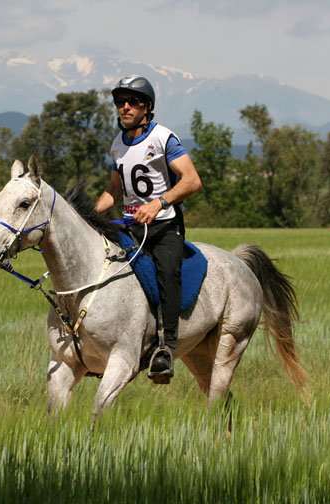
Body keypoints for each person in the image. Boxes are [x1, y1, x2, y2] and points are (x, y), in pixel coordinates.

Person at [95, 75, 202, 382]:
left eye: (133, 102)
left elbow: (192, 181)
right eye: (120, 102)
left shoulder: (163, 138)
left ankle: (166, 348)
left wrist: (159, 203)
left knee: (167, 273)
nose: (125, 107)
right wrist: (87, 213)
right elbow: (115, 190)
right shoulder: (118, 145)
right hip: (131, 228)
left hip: (165, 227)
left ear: (148, 107)